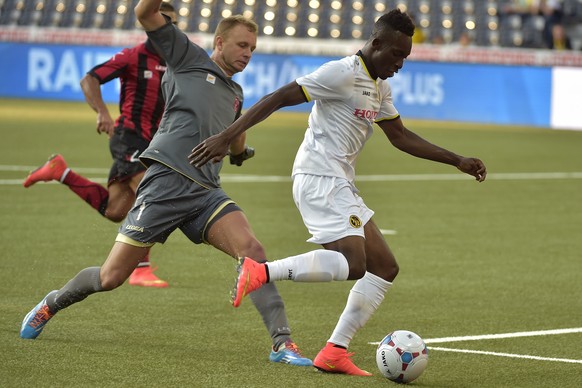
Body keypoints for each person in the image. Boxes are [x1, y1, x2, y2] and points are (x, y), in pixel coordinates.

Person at [190, 8, 487, 376]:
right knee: (354, 263)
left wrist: (456, 159)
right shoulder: (342, 73)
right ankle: (260, 272)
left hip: (339, 182)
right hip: (319, 178)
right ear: (377, 44)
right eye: (397, 54)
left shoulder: (379, 85)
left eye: (406, 57)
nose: (400, 64)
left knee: (384, 267)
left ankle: (335, 350)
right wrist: (227, 136)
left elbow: (400, 136)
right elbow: (279, 96)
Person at [19, 0, 312, 368]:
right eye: (241, 45)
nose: (248, 54)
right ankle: (52, 303)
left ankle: (282, 344)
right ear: (219, 43)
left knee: (253, 251)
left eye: (252, 48)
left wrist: (240, 150)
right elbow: (145, 13)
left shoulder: (235, 93)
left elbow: (235, 136)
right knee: (110, 277)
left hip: (205, 193)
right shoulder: (187, 56)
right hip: (163, 187)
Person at [22, 1, 179, 288]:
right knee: (151, 189)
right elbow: (89, 79)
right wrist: (102, 112)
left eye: (172, 23)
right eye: (162, 20)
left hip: (154, 142)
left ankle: (60, 172)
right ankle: (141, 267)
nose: (167, 27)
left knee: (116, 210)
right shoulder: (133, 56)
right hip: (130, 137)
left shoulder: (176, 63)